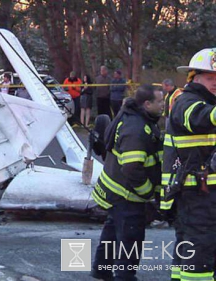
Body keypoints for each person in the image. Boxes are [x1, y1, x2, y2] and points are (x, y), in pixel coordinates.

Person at [91, 85, 164, 281]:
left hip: (116, 189)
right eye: (160, 102)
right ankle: (124, 276)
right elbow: (132, 168)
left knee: (113, 229)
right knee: (131, 238)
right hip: (127, 194)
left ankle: (102, 269)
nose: (164, 105)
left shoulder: (135, 117)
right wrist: (147, 192)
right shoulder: (137, 129)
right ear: (147, 104)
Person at [162, 48, 216, 281]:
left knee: (190, 247)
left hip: (201, 193)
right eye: (210, 78)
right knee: (200, 252)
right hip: (197, 194)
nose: (215, 83)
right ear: (193, 78)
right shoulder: (187, 101)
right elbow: (200, 118)